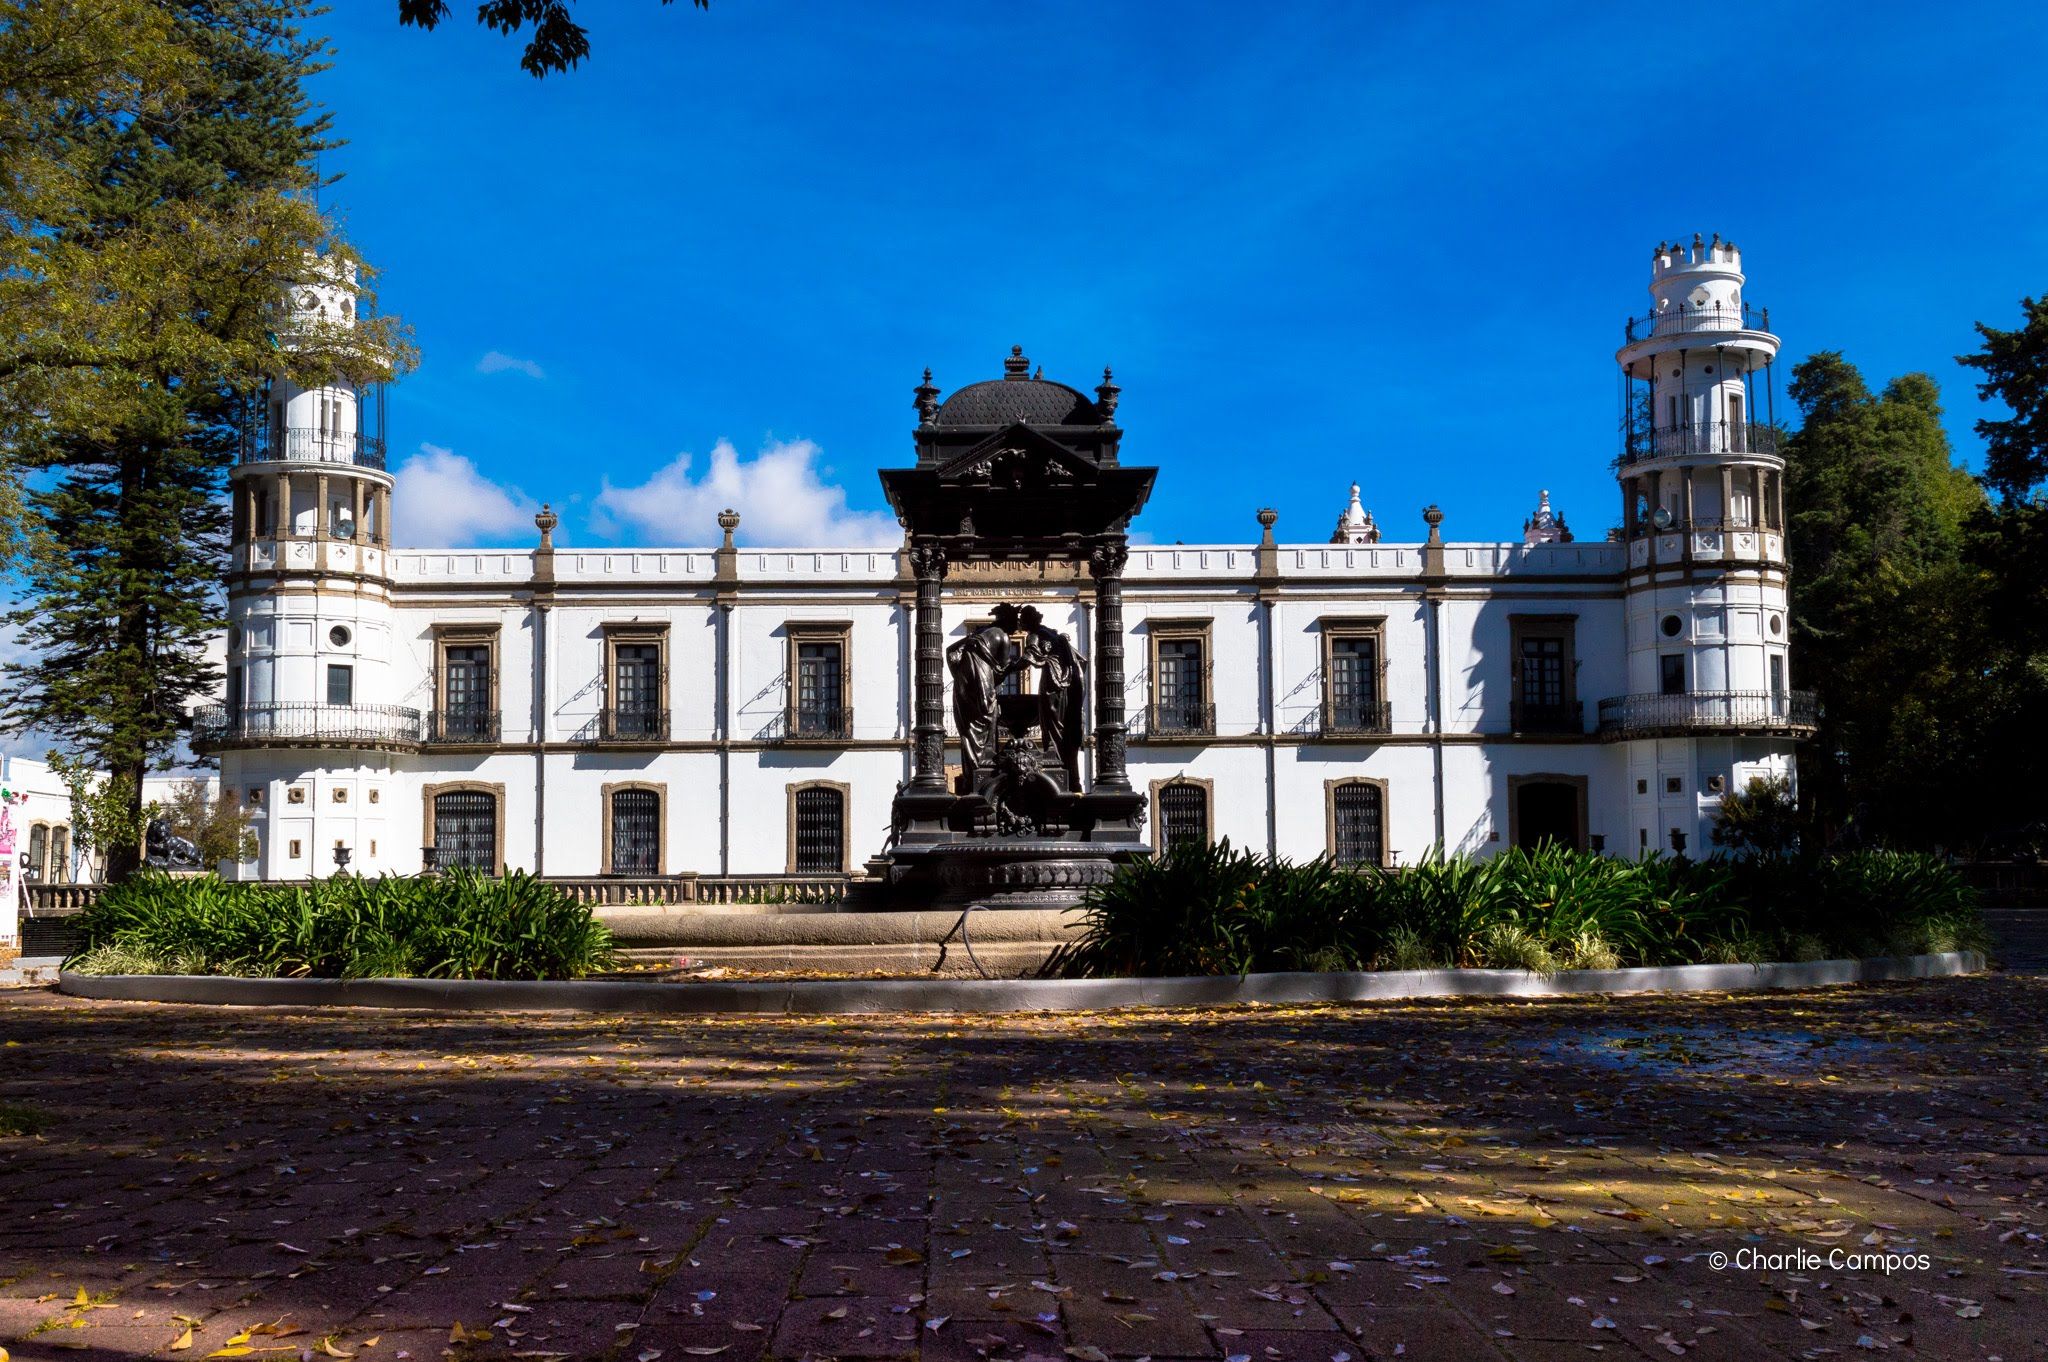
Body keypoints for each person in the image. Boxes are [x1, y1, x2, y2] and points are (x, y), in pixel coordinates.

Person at [946, 603, 1019, 785]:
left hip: (963, 686)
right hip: (982, 687)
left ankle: (971, 774)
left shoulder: (978, 635)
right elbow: (1000, 672)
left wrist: (960, 676)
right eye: (1015, 621)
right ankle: (984, 772)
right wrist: (1015, 666)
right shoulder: (1003, 637)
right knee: (987, 720)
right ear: (1008, 620)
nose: (1017, 626)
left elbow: (950, 652)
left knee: (968, 731)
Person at [1017, 606, 1084, 788]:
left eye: (1022, 621)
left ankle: (1057, 764)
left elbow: (1026, 659)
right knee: (1062, 727)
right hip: (1066, 685)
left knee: (1052, 726)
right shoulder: (1051, 633)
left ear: (1027, 621)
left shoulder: (1034, 636)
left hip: (1052, 684)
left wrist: (1004, 669)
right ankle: (1072, 776)